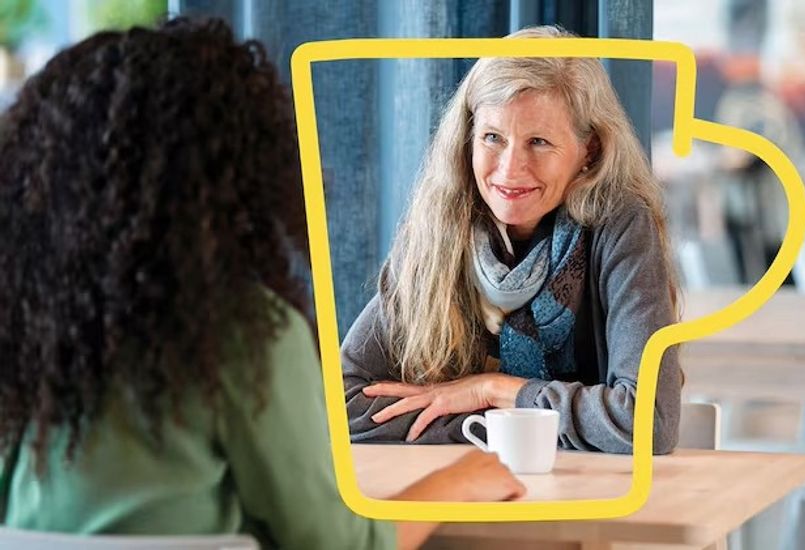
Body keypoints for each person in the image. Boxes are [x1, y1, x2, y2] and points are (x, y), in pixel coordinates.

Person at [0, 18, 524, 550]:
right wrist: (459, 481)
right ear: (240, 170)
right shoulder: (245, 334)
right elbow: (337, 546)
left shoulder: (27, 330)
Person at [343, 25, 682, 454]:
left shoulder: (621, 226)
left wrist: (494, 390)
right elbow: (340, 406)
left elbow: (647, 422)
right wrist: (507, 425)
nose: (509, 168)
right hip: (469, 494)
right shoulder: (441, 225)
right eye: (492, 138)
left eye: (538, 142)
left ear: (589, 151)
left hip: (587, 501)